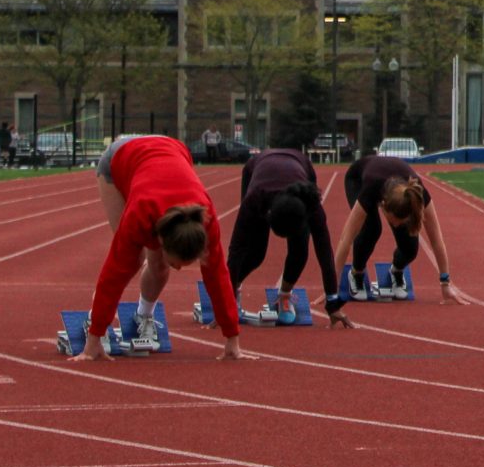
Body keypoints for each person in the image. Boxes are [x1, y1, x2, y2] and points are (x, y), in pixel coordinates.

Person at [75, 134, 239, 362]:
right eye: (177, 262)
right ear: (161, 240)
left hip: (171, 149)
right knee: (131, 261)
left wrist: (232, 339)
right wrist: (94, 340)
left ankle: (143, 315)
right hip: (121, 157)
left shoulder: (205, 218)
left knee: (160, 265)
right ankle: (92, 320)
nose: (180, 269)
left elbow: (217, 273)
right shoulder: (139, 215)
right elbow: (113, 274)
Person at [230, 147, 351, 324]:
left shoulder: (311, 205)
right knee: (256, 252)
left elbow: (324, 251)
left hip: (300, 165)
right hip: (257, 169)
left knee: (300, 250)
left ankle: (284, 295)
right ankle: (233, 289)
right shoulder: (255, 199)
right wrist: (225, 301)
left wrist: (333, 304)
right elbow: (236, 249)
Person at [332, 150, 464, 303]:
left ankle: (396, 270)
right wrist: (331, 289)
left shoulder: (417, 195)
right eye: (393, 221)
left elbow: (436, 239)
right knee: (371, 229)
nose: (395, 225)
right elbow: (345, 239)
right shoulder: (370, 189)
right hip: (357, 178)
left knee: (410, 246)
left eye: (400, 221)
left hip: (393, 184)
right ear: (383, 205)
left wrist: (445, 283)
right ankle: (357, 273)